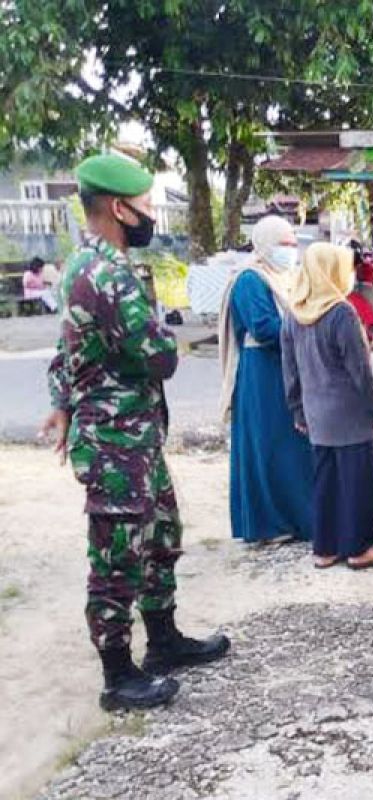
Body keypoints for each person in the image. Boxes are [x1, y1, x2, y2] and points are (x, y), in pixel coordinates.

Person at [40, 153, 229, 712]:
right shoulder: (105, 274)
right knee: (118, 554)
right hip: (114, 443)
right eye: (145, 206)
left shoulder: (88, 266)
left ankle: (163, 639)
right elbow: (158, 356)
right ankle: (117, 675)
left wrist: (60, 402)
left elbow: (64, 351)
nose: (151, 215)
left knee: (161, 535)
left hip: (134, 439)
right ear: (118, 208)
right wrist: (164, 340)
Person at [282, 243, 373, 570]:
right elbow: (359, 370)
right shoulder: (340, 313)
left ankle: (325, 549)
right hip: (349, 413)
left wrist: (298, 410)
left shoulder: (294, 312)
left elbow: (289, 370)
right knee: (360, 482)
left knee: (327, 482)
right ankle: (362, 549)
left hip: (317, 414)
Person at [218, 215, 314, 545]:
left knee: (294, 446)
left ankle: (299, 518)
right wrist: (310, 327)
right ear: (264, 244)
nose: (290, 250)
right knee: (269, 445)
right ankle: (271, 524)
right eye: (283, 244)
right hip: (263, 372)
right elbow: (263, 327)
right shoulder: (250, 280)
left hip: (286, 367)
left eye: (293, 244)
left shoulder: (287, 277)